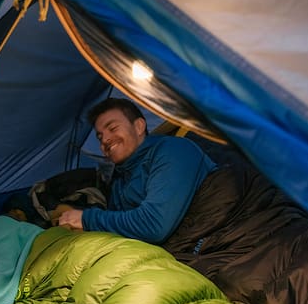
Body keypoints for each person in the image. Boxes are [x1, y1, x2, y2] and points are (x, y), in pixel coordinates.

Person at [58, 98, 216, 243]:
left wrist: (87, 219)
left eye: (112, 128)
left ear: (139, 126)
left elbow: (153, 225)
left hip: (219, 246)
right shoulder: (120, 180)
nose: (105, 140)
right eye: (100, 137)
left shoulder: (174, 150)